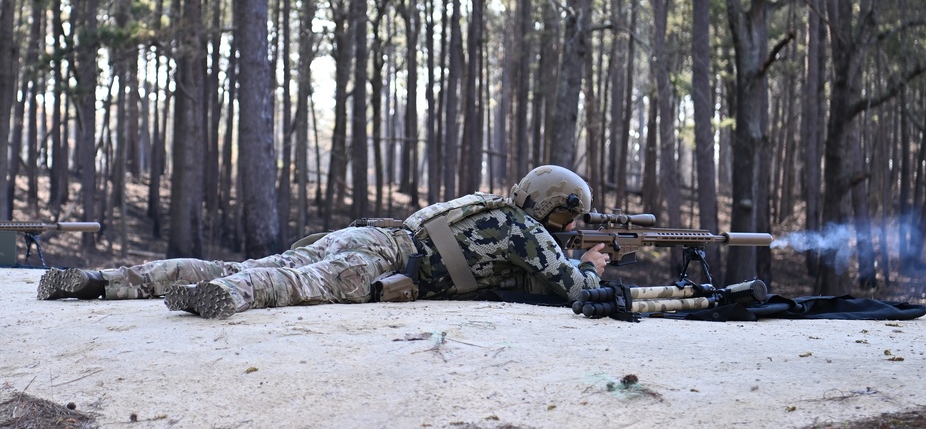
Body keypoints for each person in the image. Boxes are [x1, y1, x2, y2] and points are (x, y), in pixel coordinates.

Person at [37, 165, 609, 319]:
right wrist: (590, 264)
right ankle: (223, 297)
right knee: (291, 284)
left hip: (373, 233)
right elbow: (570, 290)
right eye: (565, 216)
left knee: (249, 261)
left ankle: (101, 281)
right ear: (552, 208)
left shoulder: (484, 208)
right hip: (385, 259)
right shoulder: (528, 232)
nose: (562, 225)